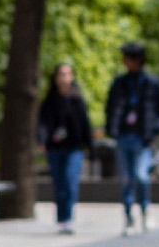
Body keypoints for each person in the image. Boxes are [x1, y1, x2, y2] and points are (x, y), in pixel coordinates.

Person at [104, 41, 159, 235]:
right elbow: (111, 107)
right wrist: (112, 128)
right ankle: (128, 215)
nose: (124, 62)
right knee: (125, 178)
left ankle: (146, 207)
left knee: (141, 176)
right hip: (123, 136)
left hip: (143, 138)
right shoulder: (120, 83)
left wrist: (155, 129)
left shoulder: (152, 83)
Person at [37, 63, 93, 235]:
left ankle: (68, 217)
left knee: (70, 181)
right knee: (59, 183)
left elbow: (85, 124)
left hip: (74, 148)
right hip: (55, 148)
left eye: (67, 74)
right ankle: (62, 219)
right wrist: (42, 141)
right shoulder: (50, 100)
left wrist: (91, 147)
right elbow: (42, 124)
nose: (64, 78)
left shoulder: (77, 100)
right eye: (61, 74)